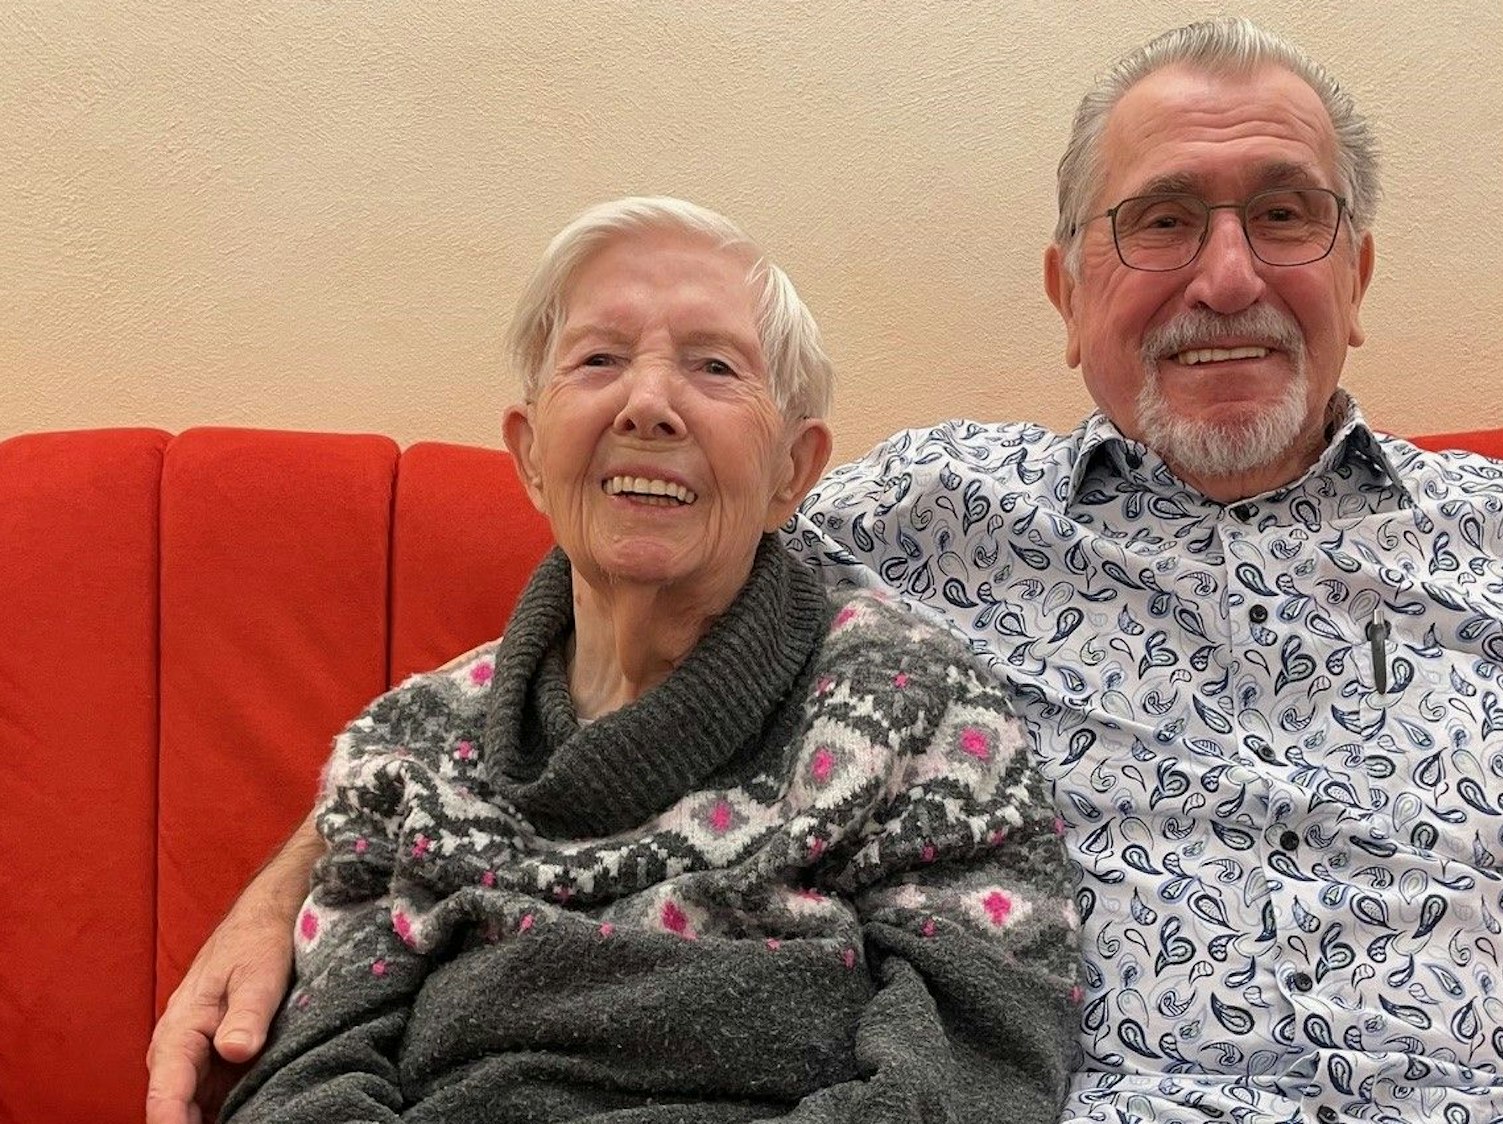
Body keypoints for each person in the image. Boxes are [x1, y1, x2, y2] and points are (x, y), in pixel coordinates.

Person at [152, 17, 1503, 1124]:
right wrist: (274, 904)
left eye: (1282, 214)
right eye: (1158, 222)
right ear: (1067, 288)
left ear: (1356, 274)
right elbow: (585, 662)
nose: (1223, 275)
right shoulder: (924, 518)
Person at [211, 196, 1080, 1123]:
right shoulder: (409, 746)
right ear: (529, 455)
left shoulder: (918, 706)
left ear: (791, 471)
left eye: (714, 366)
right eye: (599, 360)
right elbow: (306, 1075)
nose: (649, 405)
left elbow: (978, 1061)